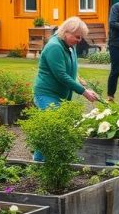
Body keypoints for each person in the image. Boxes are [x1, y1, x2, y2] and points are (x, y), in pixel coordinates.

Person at [32, 16, 99, 161]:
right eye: (77, 37)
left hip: (60, 94)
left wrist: (79, 81)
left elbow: (70, 70)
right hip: (47, 93)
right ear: (66, 32)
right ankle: (39, 161)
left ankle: (46, 161)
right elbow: (61, 75)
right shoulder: (54, 47)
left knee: (50, 128)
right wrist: (83, 92)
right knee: (52, 128)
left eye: (80, 37)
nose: (79, 40)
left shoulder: (69, 45)